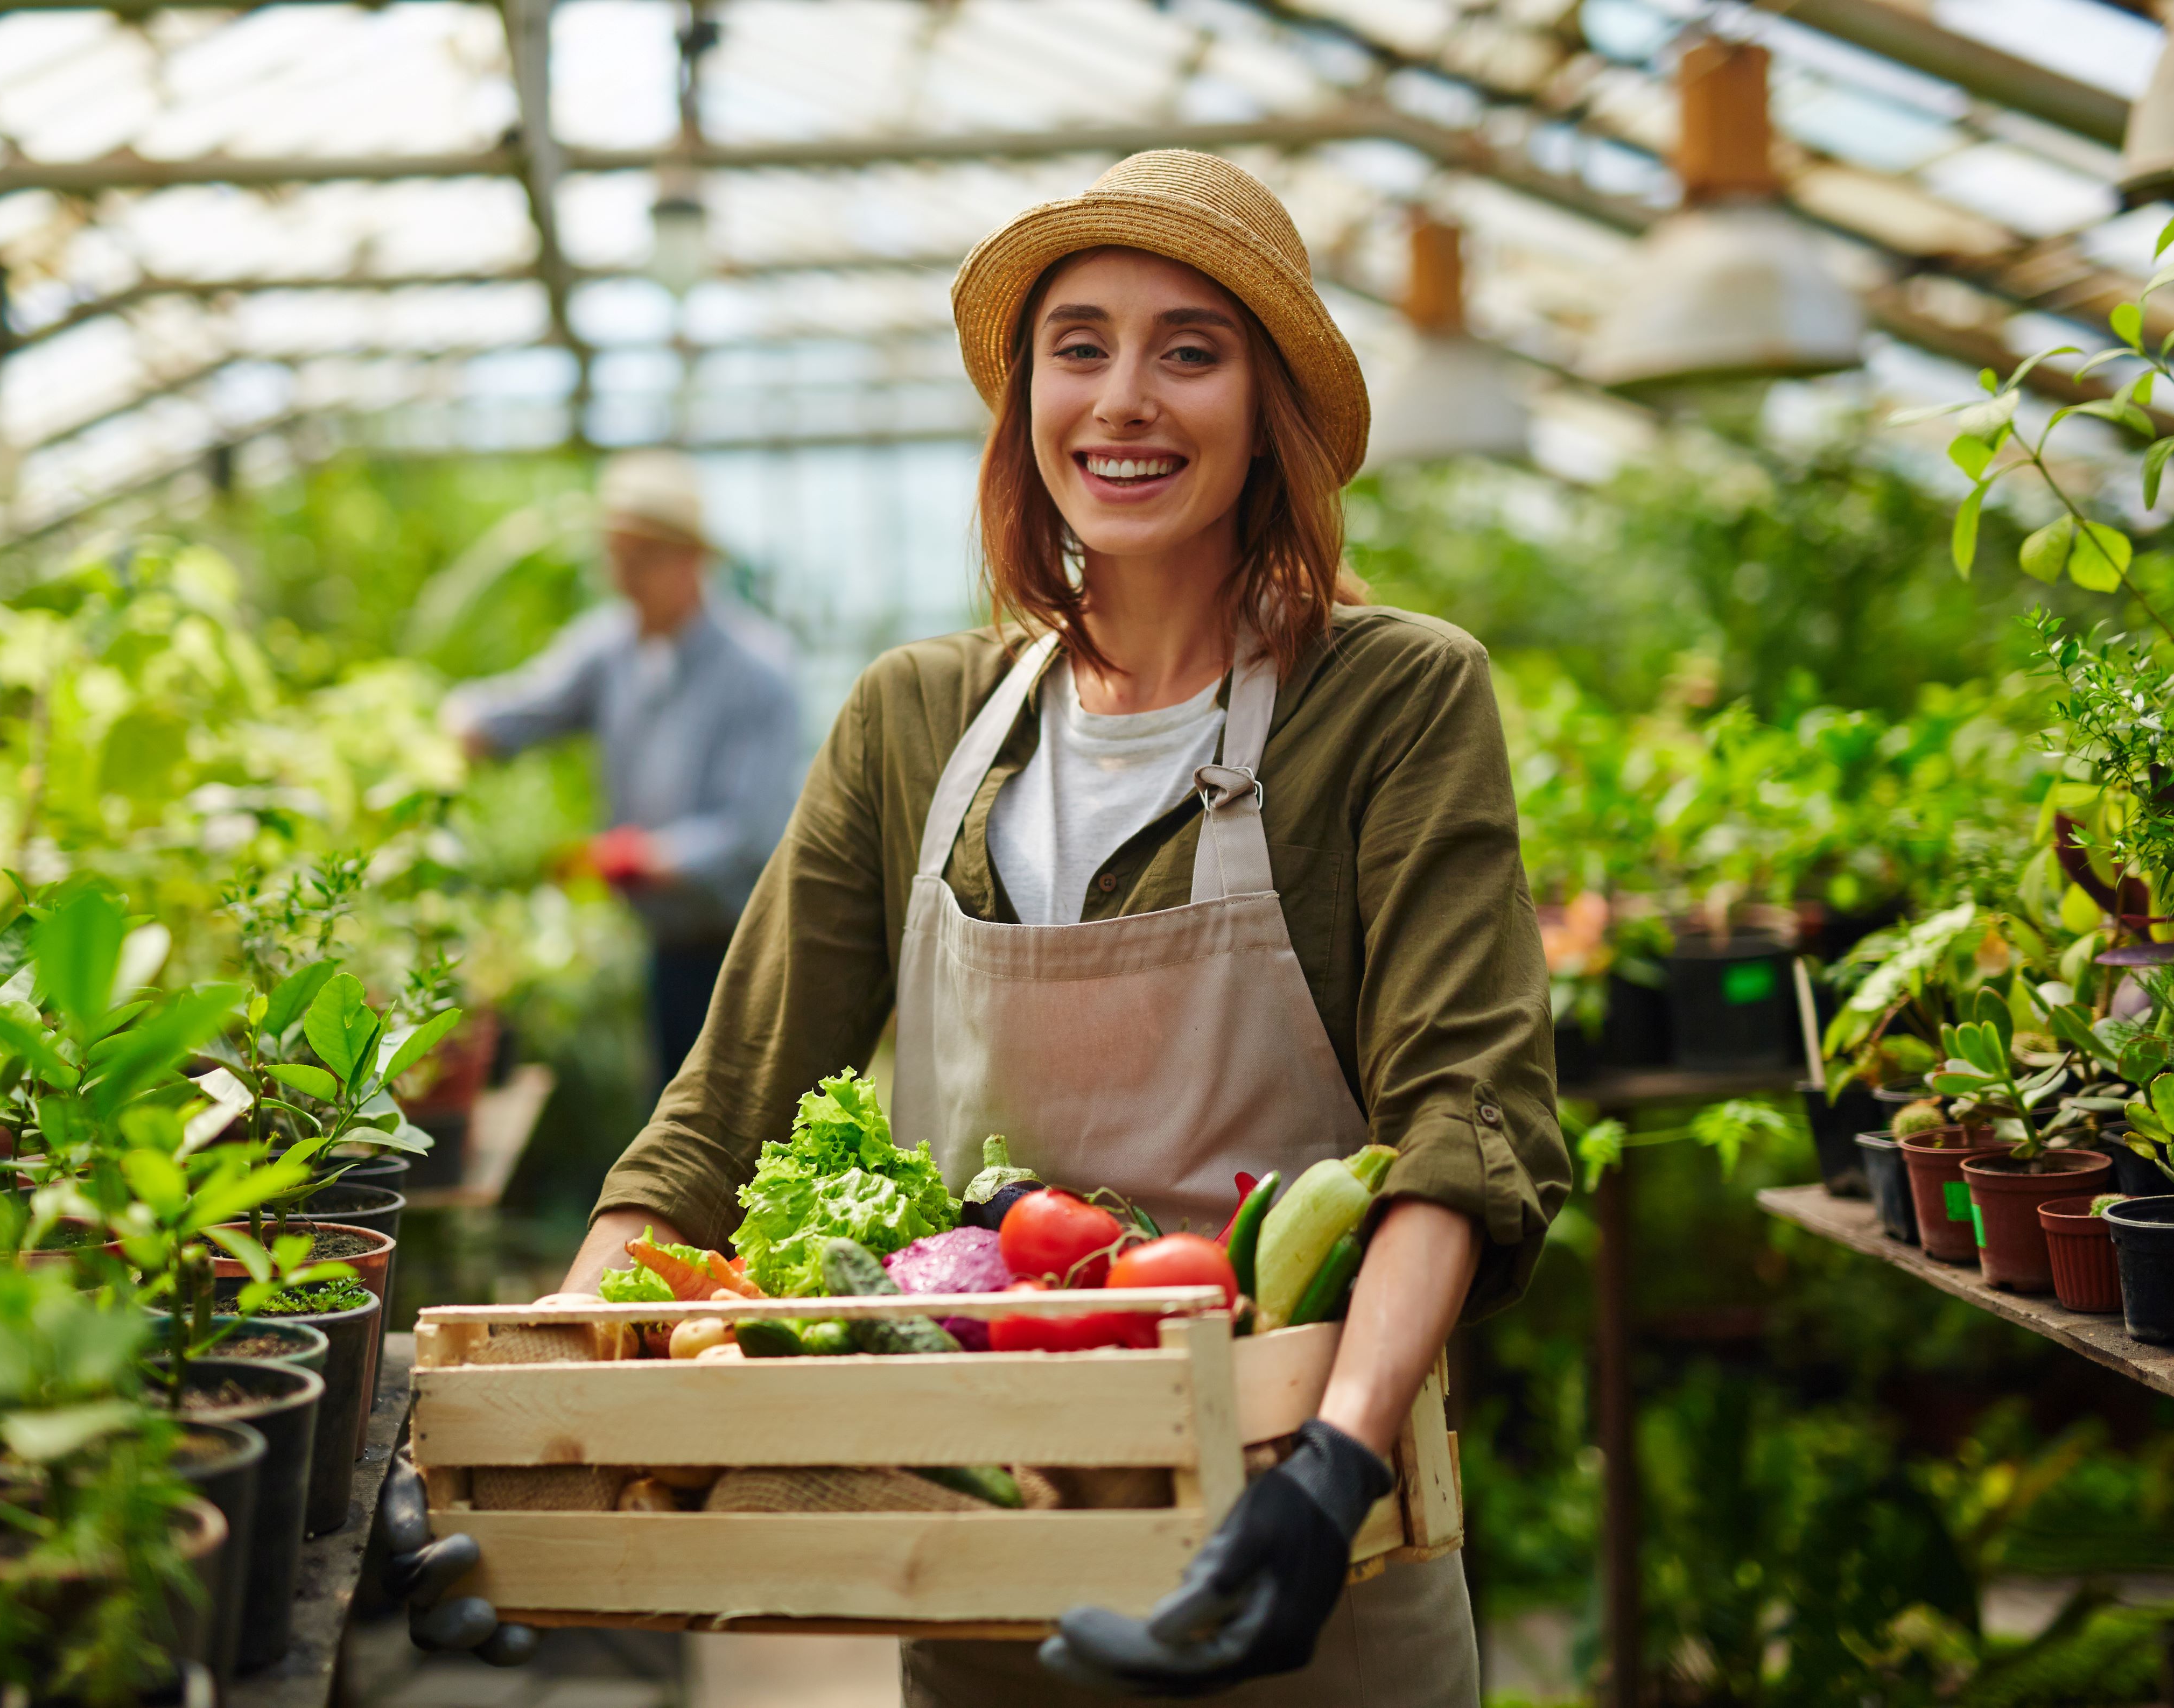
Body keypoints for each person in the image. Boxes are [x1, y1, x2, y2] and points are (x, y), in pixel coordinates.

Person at [390, 151, 1569, 1704]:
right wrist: (531, 1431)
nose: (1123, 399)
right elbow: (719, 1117)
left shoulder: (1392, 697)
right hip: (980, 1550)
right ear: (1025, 403)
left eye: (1189, 351)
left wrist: (1336, 1464)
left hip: (1298, 1552)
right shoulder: (914, 719)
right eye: (1078, 347)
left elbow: (1463, 1123)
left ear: (1267, 406)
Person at [439, 449, 801, 1085]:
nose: (624, 576)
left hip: (747, 948)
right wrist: (455, 723)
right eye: (616, 556)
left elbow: (752, 829)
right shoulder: (610, 648)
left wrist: (644, 857)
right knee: (670, 1101)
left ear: (691, 559)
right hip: (666, 941)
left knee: (740, 1114)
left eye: (641, 558)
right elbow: (529, 707)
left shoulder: (758, 669)